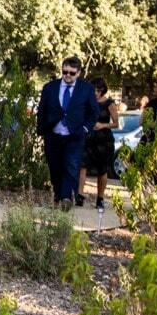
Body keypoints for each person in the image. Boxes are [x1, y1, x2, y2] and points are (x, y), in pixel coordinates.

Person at [36, 56, 100, 210]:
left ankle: (66, 197)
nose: (67, 75)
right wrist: (42, 129)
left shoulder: (86, 89)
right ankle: (58, 196)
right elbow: (42, 110)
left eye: (72, 73)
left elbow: (94, 112)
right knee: (55, 166)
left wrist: (85, 129)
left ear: (78, 73)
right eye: (65, 72)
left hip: (75, 136)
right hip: (53, 135)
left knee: (71, 166)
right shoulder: (50, 87)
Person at [76, 77, 118, 211]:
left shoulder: (109, 104)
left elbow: (116, 124)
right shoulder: (87, 102)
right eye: (93, 90)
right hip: (88, 138)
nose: (96, 93)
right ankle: (80, 195)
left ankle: (100, 198)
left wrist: (103, 125)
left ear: (103, 90)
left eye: (98, 91)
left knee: (102, 170)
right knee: (82, 166)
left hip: (103, 140)